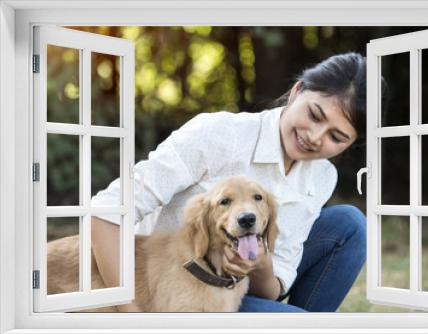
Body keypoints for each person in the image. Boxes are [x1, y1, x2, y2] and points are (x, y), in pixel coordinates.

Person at [90, 52, 367, 312]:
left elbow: (270, 291)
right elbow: (109, 209)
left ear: (351, 144)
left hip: (239, 291)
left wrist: (260, 264)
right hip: (175, 288)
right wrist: (130, 314)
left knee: (350, 224)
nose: (316, 136)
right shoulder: (219, 134)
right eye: (315, 115)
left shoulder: (322, 176)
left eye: (337, 137)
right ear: (296, 92)